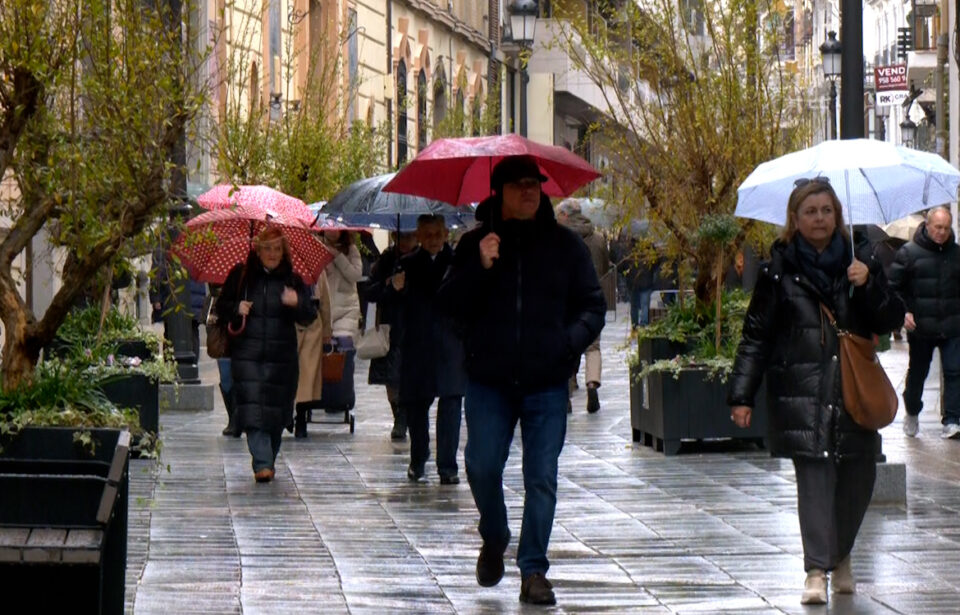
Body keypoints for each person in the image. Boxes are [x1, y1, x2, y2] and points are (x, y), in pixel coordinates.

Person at [727, 178, 904, 605]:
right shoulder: (777, 271)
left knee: (859, 480)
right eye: (811, 211)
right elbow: (756, 335)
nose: (819, 218)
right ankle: (816, 571)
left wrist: (868, 286)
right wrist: (741, 395)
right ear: (795, 219)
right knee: (815, 482)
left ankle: (840, 555)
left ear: (837, 216)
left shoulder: (862, 260)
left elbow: (890, 320)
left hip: (853, 391)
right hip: (802, 390)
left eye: (827, 211)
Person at [439, 155, 606, 606]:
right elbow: (450, 304)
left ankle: (533, 569)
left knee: (542, 477)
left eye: (534, 184)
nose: (529, 192)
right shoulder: (475, 243)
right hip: (489, 381)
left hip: (546, 383)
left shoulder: (566, 247)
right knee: (481, 466)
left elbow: (593, 306)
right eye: (518, 185)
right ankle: (494, 537)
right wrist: (479, 264)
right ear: (499, 193)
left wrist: (565, 343)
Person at [215, 226, 317, 482]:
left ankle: (267, 458)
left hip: (281, 358)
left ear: (284, 252)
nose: (272, 254)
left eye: (277, 249)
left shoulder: (292, 280)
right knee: (251, 409)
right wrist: (236, 307)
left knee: (276, 413)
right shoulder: (241, 276)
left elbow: (309, 315)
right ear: (257, 250)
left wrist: (297, 303)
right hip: (247, 355)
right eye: (267, 248)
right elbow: (221, 307)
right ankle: (262, 463)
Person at [395, 215, 466, 483]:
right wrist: (396, 287)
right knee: (417, 406)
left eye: (439, 234)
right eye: (429, 235)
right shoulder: (408, 264)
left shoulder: (458, 262)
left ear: (446, 234)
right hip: (419, 343)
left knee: (450, 404)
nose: (434, 240)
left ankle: (447, 466)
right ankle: (418, 457)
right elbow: (385, 297)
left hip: (450, 342)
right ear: (420, 236)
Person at [887, 206, 960, 439]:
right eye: (938, 227)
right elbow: (893, 288)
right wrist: (904, 312)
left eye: (946, 228)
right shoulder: (908, 253)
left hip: (952, 325)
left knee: (955, 371)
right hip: (921, 327)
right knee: (918, 372)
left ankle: (952, 419)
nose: (942, 232)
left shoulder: (957, 254)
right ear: (927, 226)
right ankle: (912, 411)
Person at [556, 198, 613, 413]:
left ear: (565, 215)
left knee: (567, 342)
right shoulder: (597, 238)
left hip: (566, 298)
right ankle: (592, 383)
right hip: (592, 295)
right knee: (593, 345)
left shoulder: (559, 237)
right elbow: (606, 265)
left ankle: (568, 391)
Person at [364, 230, 420, 440]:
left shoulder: (421, 259)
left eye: (410, 236)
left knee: (410, 374)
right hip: (390, 327)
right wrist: (389, 284)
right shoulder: (386, 259)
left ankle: (406, 415)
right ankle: (399, 415)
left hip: (414, 326)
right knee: (391, 378)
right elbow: (370, 291)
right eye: (401, 237)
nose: (405, 241)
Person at [318, 229, 363, 412]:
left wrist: (337, 256)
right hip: (324, 310)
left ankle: (343, 395)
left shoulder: (350, 249)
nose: (333, 231)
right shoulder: (316, 246)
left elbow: (355, 275)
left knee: (342, 350)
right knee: (321, 353)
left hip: (347, 311)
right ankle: (326, 396)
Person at [293, 269, 333, 438]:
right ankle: (297, 418)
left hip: (309, 326)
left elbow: (324, 303)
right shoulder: (315, 269)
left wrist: (326, 333)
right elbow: (325, 304)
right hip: (293, 326)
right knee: (303, 376)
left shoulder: (317, 271)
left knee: (306, 376)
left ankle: (300, 418)